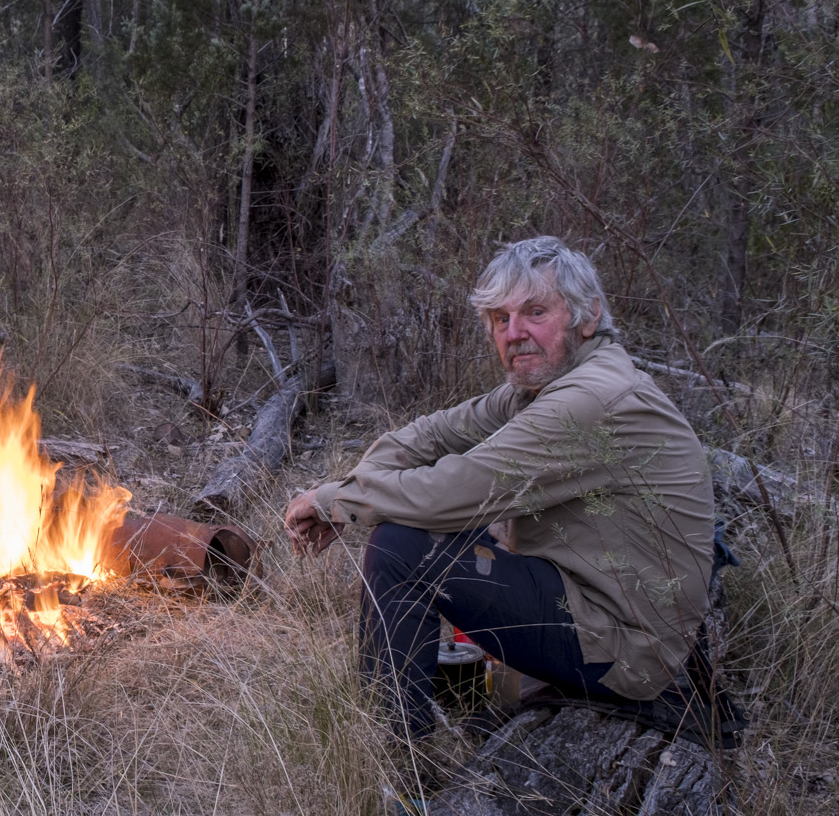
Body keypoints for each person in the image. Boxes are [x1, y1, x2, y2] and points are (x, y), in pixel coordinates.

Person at [284, 236, 713, 743]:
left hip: (628, 652)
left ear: (587, 316)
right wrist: (351, 488)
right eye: (500, 319)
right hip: (609, 611)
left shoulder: (591, 399)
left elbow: (452, 491)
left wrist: (338, 502)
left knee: (403, 548)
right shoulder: (543, 387)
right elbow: (431, 434)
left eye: (535, 312)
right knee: (418, 533)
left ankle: (396, 766)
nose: (516, 333)